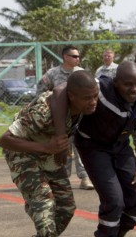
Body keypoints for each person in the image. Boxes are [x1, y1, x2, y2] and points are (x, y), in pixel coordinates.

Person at [0, 71, 99, 237]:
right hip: (23, 154)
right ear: (73, 96)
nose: (93, 102)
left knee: (66, 207)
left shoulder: (81, 106)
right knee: (43, 201)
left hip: (49, 155)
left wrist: (55, 147)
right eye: (87, 98)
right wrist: (45, 147)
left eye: (95, 96)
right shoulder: (43, 112)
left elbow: (62, 90)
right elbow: (5, 140)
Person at [72, 61, 136, 237]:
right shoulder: (101, 90)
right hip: (93, 146)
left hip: (121, 147)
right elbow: (66, 91)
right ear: (116, 82)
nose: (134, 89)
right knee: (114, 201)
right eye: (128, 84)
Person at [37, 45, 94, 190]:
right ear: (65, 57)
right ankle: (63, 178)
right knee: (63, 148)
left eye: (78, 56)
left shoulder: (82, 74)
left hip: (81, 119)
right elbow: (40, 92)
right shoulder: (53, 74)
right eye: (74, 56)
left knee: (81, 149)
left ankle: (85, 177)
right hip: (61, 120)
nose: (78, 59)